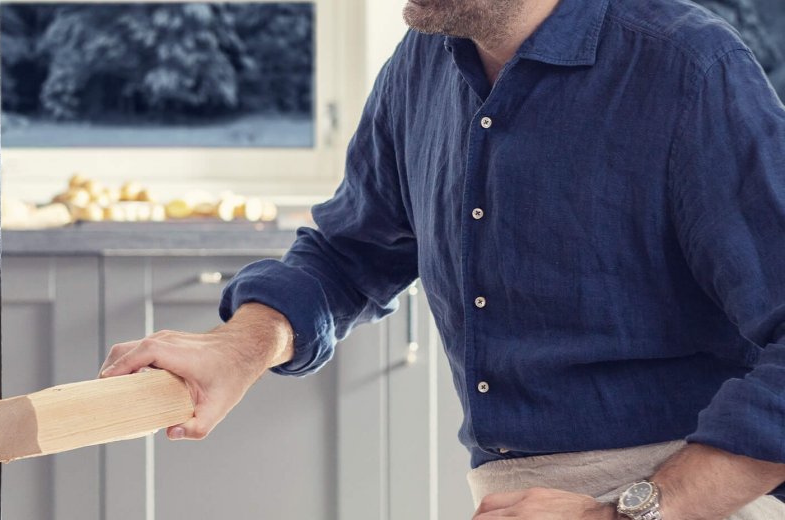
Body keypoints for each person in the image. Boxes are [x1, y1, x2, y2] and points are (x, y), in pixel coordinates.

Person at [98, 0, 785, 517]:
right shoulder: (422, 65)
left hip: (683, 499)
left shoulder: (690, 69)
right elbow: (349, 254)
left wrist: (624, 511)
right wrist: (239, 347)